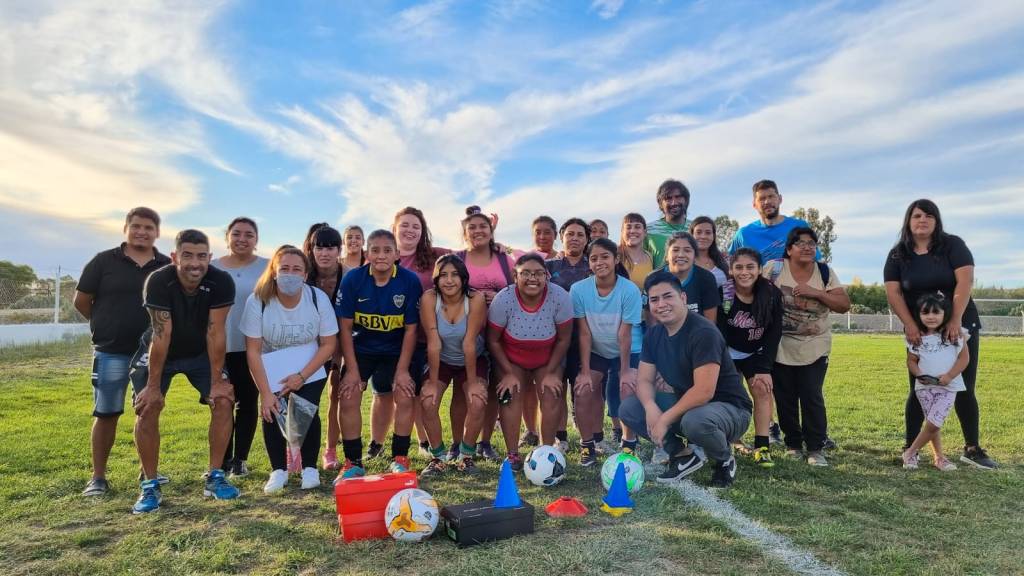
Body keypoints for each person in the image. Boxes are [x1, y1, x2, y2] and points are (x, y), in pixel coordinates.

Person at [128, 229, 238, 514]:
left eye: (202, 256)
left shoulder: (221, 281)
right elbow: (161, 335)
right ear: (175, 256)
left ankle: (215, 476)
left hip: (201, 352)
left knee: (224, 399)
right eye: (187, 255)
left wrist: (217, 382)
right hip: (160, 351)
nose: (195, 263)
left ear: (209, 258)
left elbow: (216, 331)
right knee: (148, 406)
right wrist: (153, 386)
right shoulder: (159, 280)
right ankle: (150, 483)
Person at [884, 199, 996, 469]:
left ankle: (972, 448)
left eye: (929, 215)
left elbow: (965, 282)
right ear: (908, 220)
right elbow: (893, 292)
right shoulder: (898, 254)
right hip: (920, 330)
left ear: (937, 221)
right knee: (918, 387)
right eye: (917, 215)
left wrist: (954, 320)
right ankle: (910, 447)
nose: (922, 220)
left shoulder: (953, 245)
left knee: (963, 386)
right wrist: (910, 324)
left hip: (959, 325)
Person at [618, 271, 752, 487]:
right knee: (630, 408)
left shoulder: (703, 332)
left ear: (683, 298)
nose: (661, 304)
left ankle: (724, 458)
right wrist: (651, 407)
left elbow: (704, 392)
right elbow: (643, 380)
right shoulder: (654, 333)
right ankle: (683, 455)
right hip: (690, 407)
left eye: (667, 296)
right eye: (654, 299)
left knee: (695, 422)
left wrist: (663, 419)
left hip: (730, 409)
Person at [76, 207, 171, 497]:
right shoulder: (104, 261)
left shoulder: (165, 265)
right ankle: (98, 477)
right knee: (106, 412)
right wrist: (105, 323)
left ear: (157, 232)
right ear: (126, 228)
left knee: (148, 411)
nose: (142, 231)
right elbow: (82, 301)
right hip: (112, 350)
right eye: (136, 226)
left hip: (149, 353)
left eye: (148, 227)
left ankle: (148, 472)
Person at [240, 246, 338, 493]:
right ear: (274, 271)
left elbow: (329, 344)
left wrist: (302, 376)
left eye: (297, 269)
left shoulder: (317, 298)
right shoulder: (258, 301)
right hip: (271, 365)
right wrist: (265, 392)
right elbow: (252, 350)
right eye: (284, 268)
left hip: (310, 365)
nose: (290, 274)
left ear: (305, 274)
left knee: (305, 410)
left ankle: (309, 468)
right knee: (272, 410)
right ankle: (278, 470)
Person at [334, 230, 423, 480]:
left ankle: (400, 458)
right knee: (349, 394)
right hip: (361, 349)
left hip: (396, 350)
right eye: (375, 250)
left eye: (387, 250)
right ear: (367, 253)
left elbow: (411, 329)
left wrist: (403, 370)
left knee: (404, 395)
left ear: (396, 254)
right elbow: (345, 328)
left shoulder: (409, 281)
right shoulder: (353, 279)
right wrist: (351, 371)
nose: (381, 255)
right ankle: (353, 462)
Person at [764, 227, 849, 467]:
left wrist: (817, 293)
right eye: (800, 243)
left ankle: (815, 448)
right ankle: (793, 444)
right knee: (785, 396)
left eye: (812, 243)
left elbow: (844, 305)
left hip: (815, 345)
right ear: (789, 249)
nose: (807, 247)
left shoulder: (824, 272)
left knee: (811, 394)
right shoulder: (774, 269)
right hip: (780, 345)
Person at [487, 254, 573, 470]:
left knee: (552, 391)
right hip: (512, 358)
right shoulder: (503, 299)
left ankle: (546, 453)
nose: (532, 278)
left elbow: (564, 339)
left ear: (547, 276)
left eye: (538, 273)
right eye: (525, 273)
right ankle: (513, 454)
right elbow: (493, 340)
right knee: (510, 393)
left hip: (547, 357)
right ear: (515, 276)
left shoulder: (559, 297)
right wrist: (507, 373)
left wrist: (553, 372)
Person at [571, 239, 643, 466]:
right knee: (583, 390)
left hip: (626, 349)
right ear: (588, 263)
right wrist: (583, 371)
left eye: (605, 257)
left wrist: (624, 371)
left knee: (627, 387)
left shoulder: (629, 290)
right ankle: (587, 444)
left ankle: (629, 443)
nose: (599, 262)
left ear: (616, 259)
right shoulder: (578, 290)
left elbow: (625, 334)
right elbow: (583, 333)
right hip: (596, 350)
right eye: (594, 258)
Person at [419, 255, 488, 476]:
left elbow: (469, 343)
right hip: (442, 359)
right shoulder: (430, 298)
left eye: (455, 275)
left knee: (477, 401)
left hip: (473, 358)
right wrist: (431, 383)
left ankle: (466, 456)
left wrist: (474, 383)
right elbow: (433, 342)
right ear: (436, 279)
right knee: (428, 402)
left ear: (464, 277)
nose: (449, 280)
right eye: (443, 275)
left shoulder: (474, 298)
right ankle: (437, 458)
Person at [456, 206, 516, 461]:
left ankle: (486, 442)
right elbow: (446, 287)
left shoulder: (504, 258)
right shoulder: (457, 259)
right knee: (464, 388)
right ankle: (458, 443)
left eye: (483, 226)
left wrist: (499, 296)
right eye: (472, 227)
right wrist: (477, 298)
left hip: (501, 333)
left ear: (491, 231)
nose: (478, 231)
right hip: (467, 333)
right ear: (465, 233)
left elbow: (518, 288)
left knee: (494, 389)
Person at [391, 207, 451, 460]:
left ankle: (425, 441)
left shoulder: (434, 255)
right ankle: (419, 441)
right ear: (395, 228)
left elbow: (465, 257)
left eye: (416, 226)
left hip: (428, 336)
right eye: (405, 225)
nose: (410, 230)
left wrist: (497, 246)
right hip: (395, 336)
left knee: (422, 389)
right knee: (405, 391)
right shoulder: (384, 256)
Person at [211, 217, 268, 478]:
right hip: (219, 347)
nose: (242, 239)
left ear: (256, 239)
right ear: (227, 237)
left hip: (252, 348)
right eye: (236, 233)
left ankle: (240, 460)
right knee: (221, 402)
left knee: (247, 403)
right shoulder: (212, 268)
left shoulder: (268, 268)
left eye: (248, 234)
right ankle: (219, 462)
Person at [717, 248, 783, 467]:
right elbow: (719, 331)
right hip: (728, 351)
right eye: (738, 267)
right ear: (731, 270)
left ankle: (762, 445)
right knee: (730, 394)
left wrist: (764, 368)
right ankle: (731, 440)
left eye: (750, 267)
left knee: (762, 389)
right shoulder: (723, 292)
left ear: (759, 269)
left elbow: (774, 334)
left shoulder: (772, 293)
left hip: (756, 352)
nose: (744, 272)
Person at [902, 293, 969, 471]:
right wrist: (918, 375)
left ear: (945, 313)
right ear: (919, 314)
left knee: (934, 423)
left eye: (936, 312)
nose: (931, 317)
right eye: (925, 313)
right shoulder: (916, 337)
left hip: (949, 387)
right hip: (924, 388)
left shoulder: (954, 334)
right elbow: (911, 361)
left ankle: (910, 452)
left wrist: (949, 376)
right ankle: (939, 458)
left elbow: (964, 359)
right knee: (933, 424)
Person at [545, 218, 593, 452]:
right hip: (553, 338)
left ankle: (592, 437)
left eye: (580, 234)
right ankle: (560, 436)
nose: (575, 238)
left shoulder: (593, 265)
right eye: (570, 234)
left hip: (587, 337)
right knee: (558, 387)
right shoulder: (549, 266)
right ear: (561, 237)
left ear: (587, 239)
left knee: (583, 388)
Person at [302, 224, 347, 470]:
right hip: (308, 345)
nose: (325, 253)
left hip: (339, 342)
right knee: (303, 398)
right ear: (312, 248)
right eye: (320, 247)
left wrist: (340, 357)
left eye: (331, 247)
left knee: (336, 394)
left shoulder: (348, 275)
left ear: (338, 250)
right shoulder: (304, 274)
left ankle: (330, 449)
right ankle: (294, 449)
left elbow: (348, 320)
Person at [729, 179, 814, 263]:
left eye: (771, 196)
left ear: (780, 199)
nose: (767, 202)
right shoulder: (743, 234)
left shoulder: (799, 227)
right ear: (754, 204)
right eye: (762, 199)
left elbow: (815, 262)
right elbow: (729, 265)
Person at [658, 232, 720, 322]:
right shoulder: (654, 279)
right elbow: (652, 324)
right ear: (667, 255)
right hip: (664, 334)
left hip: (698, 334)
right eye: (675, 250)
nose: (681, 255)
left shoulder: (707, 278)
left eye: (687, 250)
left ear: (694, 256)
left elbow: (710, 323)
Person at [644, 179, 692, 268]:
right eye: (668, 198)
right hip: (659, 281)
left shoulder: (696, 229)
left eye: (678, 197)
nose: (674, 203)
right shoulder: (648, 231)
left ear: (686, 200)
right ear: (660, 204)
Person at [690, 216, 730, 289]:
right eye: (698, 232)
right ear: (692, 235)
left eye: (708, 233)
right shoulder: (685, 261)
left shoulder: (724, 259)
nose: (703, 236)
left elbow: (730, 289)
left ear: (713, 236)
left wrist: (727, 301)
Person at [619, 213, 654, 292]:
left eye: (637, 227)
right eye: (628, 227)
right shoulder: (615, 255)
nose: (632, 231)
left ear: (645, 232)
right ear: (622, 232)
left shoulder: (650, 256)